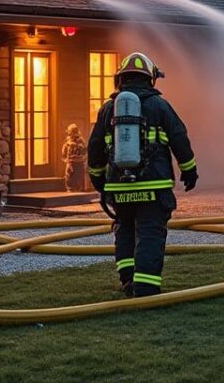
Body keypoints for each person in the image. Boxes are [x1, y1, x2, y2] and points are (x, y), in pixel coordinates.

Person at [87, 52, 198, 297]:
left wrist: (99, 180)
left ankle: (128, 280)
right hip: (153, 184)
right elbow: (179, 137)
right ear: (150, 79)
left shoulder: (107, 110)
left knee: (125, 229)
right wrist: (189, 170)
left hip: (118, 186)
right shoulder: (160, 106)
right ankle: (146, 286)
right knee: (149, 232)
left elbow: (95, 148)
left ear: (121, 80)